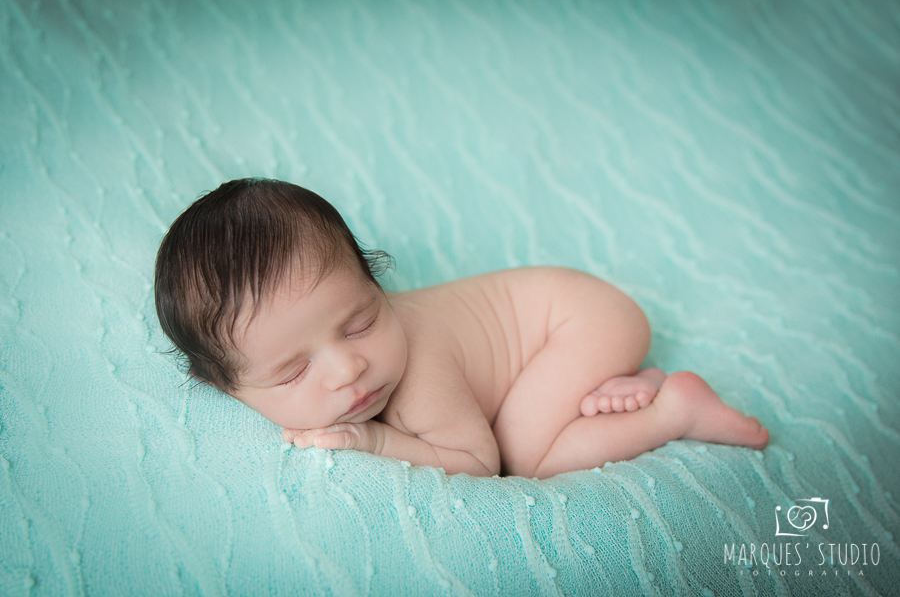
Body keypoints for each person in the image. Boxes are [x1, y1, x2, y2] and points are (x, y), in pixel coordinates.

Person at [155, 178, 769, 479]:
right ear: (228, 389)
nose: (349, 368)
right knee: (531, 412)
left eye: (361, 321)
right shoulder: (330, 356)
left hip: (581, 321)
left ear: (376, 284)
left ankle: (675, 410)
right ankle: (621, 384)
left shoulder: (419, 373)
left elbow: (479, 462)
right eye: (293, 370)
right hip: (567, 328)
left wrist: (375, 442)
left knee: (528, 455)